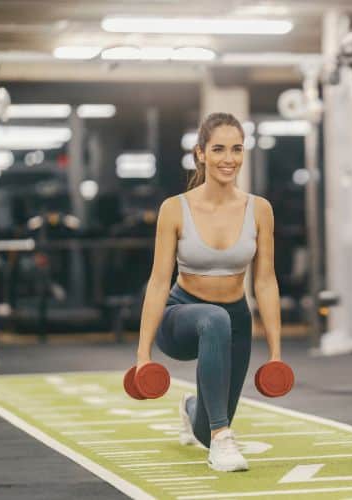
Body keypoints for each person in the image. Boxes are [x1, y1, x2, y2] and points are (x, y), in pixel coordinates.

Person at [135, 112, 282, 472]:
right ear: (200, 153)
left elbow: (265, 281)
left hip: (235, 321)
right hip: (181, 317)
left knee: (204, 425)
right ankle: (222, 439)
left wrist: (276, 353)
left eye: (236, 149)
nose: (228, 159)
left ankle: (196, 415)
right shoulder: (175, 208)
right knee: (212, 318)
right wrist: (143, 354)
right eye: (218, 149)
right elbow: (157, 281)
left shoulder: (259, 209)